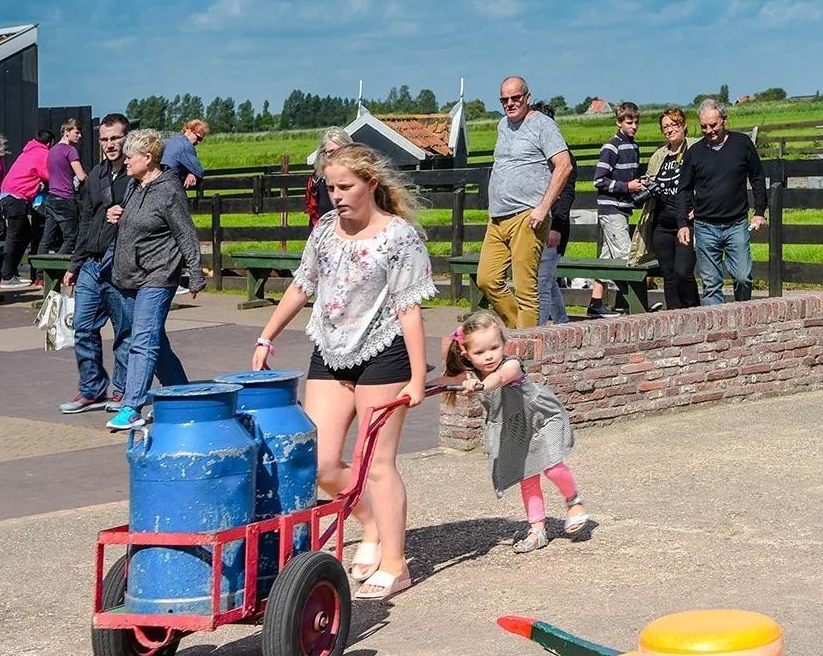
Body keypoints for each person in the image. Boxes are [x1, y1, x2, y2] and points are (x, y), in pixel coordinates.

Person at [252, 143, 436, 601]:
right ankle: (370, 525)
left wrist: (416, 377)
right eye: (330, 187)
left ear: (370, 184)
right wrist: (266, 335)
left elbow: (409, 309)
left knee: (377, 463)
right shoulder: (324, 232)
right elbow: (302, 285)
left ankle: (396, 564)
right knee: (321, 462)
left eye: (345, 186)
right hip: (330, 353)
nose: (336, 195)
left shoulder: (399, 237)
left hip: (384, 354)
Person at [444, 310, 589, 552]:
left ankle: (574, 501)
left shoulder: (510, 364)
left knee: (552, 466)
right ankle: (537, 529)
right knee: (527, 477)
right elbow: (448, 379)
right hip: (514, 428)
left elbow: (499, 379)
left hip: (541, 418)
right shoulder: (470, 373)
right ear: (466, 353)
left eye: (494, 347)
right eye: (479, 352)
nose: (489, 356)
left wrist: (480, 386)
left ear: (504, 343)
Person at [106, 129, 205, 432]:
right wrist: (115, 215)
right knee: (154, 341)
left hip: (158, 275)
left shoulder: (169, 190)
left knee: (142, 342)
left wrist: (196, 274)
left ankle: (132, 407)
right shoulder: (135, 186)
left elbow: (186, 233)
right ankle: (184, 396)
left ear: (147, 159)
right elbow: (134, 221)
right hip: (129, 275)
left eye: (129, 156)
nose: (124, 161)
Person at [479, 76, 573, 329]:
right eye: (504, 99)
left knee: (526, 288)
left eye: (515, 97)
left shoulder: (543, 126)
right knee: (487, 279)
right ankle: (517, 329)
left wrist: (543, 208)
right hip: (498, 217)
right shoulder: (502, 125)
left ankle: (528, 346)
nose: (510, 103)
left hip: (527, 216)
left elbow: (564, 166)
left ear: (527, 98)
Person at [59, 114, 134, 414]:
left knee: (124, 331)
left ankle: (123, 390)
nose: (109, 144)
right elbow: (85, 222)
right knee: (82, 327)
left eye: (115, 138)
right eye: (104, 139)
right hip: (92, 261)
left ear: (127, 137)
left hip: (121, 261)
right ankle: (92, 389)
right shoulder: (96, 175)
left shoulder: (137, 175)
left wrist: (124, 214)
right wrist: (73, 265)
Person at [676, 99, 768, 305]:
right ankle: (715, 332)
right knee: (711, 285)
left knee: (743, 277)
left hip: (736, 224)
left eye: (713, 125)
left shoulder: (742, 144)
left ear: (725, 120)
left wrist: (760, 211)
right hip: (705, 226)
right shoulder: (695, 153)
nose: (709, 130)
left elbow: (757, 178)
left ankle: (743, 318)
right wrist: (682, 222)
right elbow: (683, 190)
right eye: (704, 127)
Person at [635, 109, 701, 309]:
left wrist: (700, 206)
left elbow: (707, 181)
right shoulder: (659, 156)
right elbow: (650, 180)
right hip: (662, 223)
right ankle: (673, 317)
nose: (670, 130)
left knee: (684, 272)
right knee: (669, 276)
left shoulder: (696, 149)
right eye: (666, 127)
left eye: (674, 125)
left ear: (684, 125)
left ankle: (694, 312)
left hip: (686, 222)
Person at [589, 102, 643, 318]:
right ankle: (637, 304)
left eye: (636, 122)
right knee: (625, 257)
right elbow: (599, 180)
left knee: (606, 259)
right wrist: (626, 187)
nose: (634, 126)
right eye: (629, 122)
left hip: (623, 208)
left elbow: (632, 176)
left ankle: (595, 302)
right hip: (611, 209)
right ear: (619, 122)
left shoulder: (634, 147)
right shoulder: (611, 147)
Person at [530, 102, 576, 326]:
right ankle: (562, 322)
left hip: (553, 225)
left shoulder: (562, 157)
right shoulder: (537, 155)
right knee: (548, 279)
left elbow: (566, 195)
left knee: (542, 282)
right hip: (537, 223)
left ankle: (538, 331)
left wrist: (556, 226)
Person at [0, 129, 54, 286]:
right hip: (16, 198)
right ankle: (7, 276)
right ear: (50, 143)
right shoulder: (42, 153)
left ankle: (10, 272)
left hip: (9, 195)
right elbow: (49, 175)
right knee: (14, 235)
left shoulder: (29, 151)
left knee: (24, 234)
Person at [39, 119, 86, 255]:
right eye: (76, 132)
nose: (80, 136)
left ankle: (39, 274)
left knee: (46, 239)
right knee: (72, 238)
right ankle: (56, 268)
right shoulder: (70, 150)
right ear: (66, 132)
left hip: (51, 198)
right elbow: (81, 176)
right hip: (65, 199)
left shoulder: (52, 151)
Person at [304, 126, 352, 227]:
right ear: (324, 153)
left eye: (341, 150)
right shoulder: (318, 181)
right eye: (331, 151)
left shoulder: (360, 178)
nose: (337, 155)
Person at [161, 119, 209, 190]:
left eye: (201, 140)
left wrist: (191, 173)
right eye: (198, 138)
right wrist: (193, 173)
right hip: (171, 186)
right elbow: (199, 171)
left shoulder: (172, 141)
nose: (199, 142)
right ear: (189, 131)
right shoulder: (186, 145)